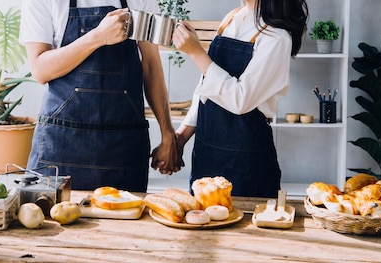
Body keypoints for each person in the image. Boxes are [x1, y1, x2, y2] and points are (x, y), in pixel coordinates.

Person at [152, 0, 309, 198]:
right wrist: (181, 138)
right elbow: (205, 87)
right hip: (206, 154)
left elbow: (240, 100)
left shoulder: (277, 36)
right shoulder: (232, 18)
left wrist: (195, 52)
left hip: (246, 162)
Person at [19, 0, 178, 192]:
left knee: (125, 219)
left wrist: (168, 133)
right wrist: (97, 37)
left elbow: (151, 65)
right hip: (61, 144)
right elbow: (40, 69)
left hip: (123, 146)